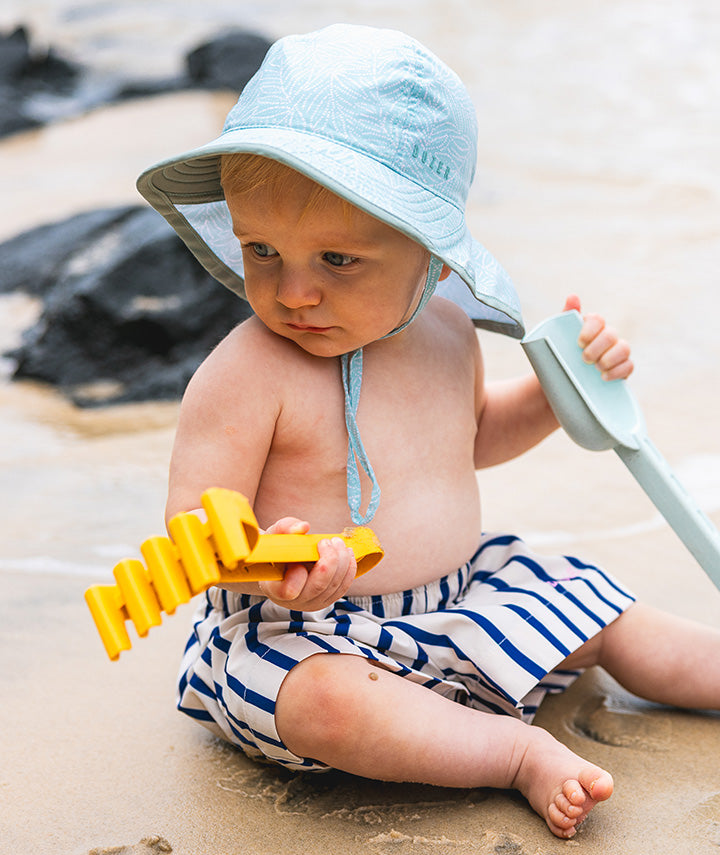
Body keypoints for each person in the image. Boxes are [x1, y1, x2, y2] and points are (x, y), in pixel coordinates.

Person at [136, 24, 720, 839]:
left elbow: (474, 437)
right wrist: (269, 561)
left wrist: (559, 397)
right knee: (333, 707)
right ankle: (513, 753)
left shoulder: (447, 334)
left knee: (603, 611)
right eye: (262, 250)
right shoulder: (247, 372)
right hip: (308, 629)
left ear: (435, 257)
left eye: (337, 261)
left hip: (461, 595)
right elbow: (193, 525)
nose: (293, 292)